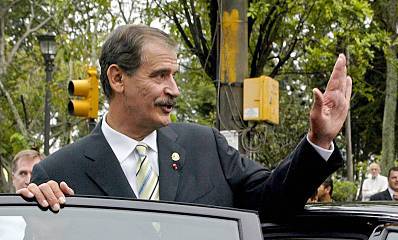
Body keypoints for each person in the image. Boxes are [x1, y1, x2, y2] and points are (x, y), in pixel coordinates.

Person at [17, 24, 350, 220]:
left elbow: (275, 204)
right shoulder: (60, 174)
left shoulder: (205, 145)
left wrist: (317, 142)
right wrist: (47, 238)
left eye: (174, 76)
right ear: (118, 78)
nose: (174, 90)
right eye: (161, 75)